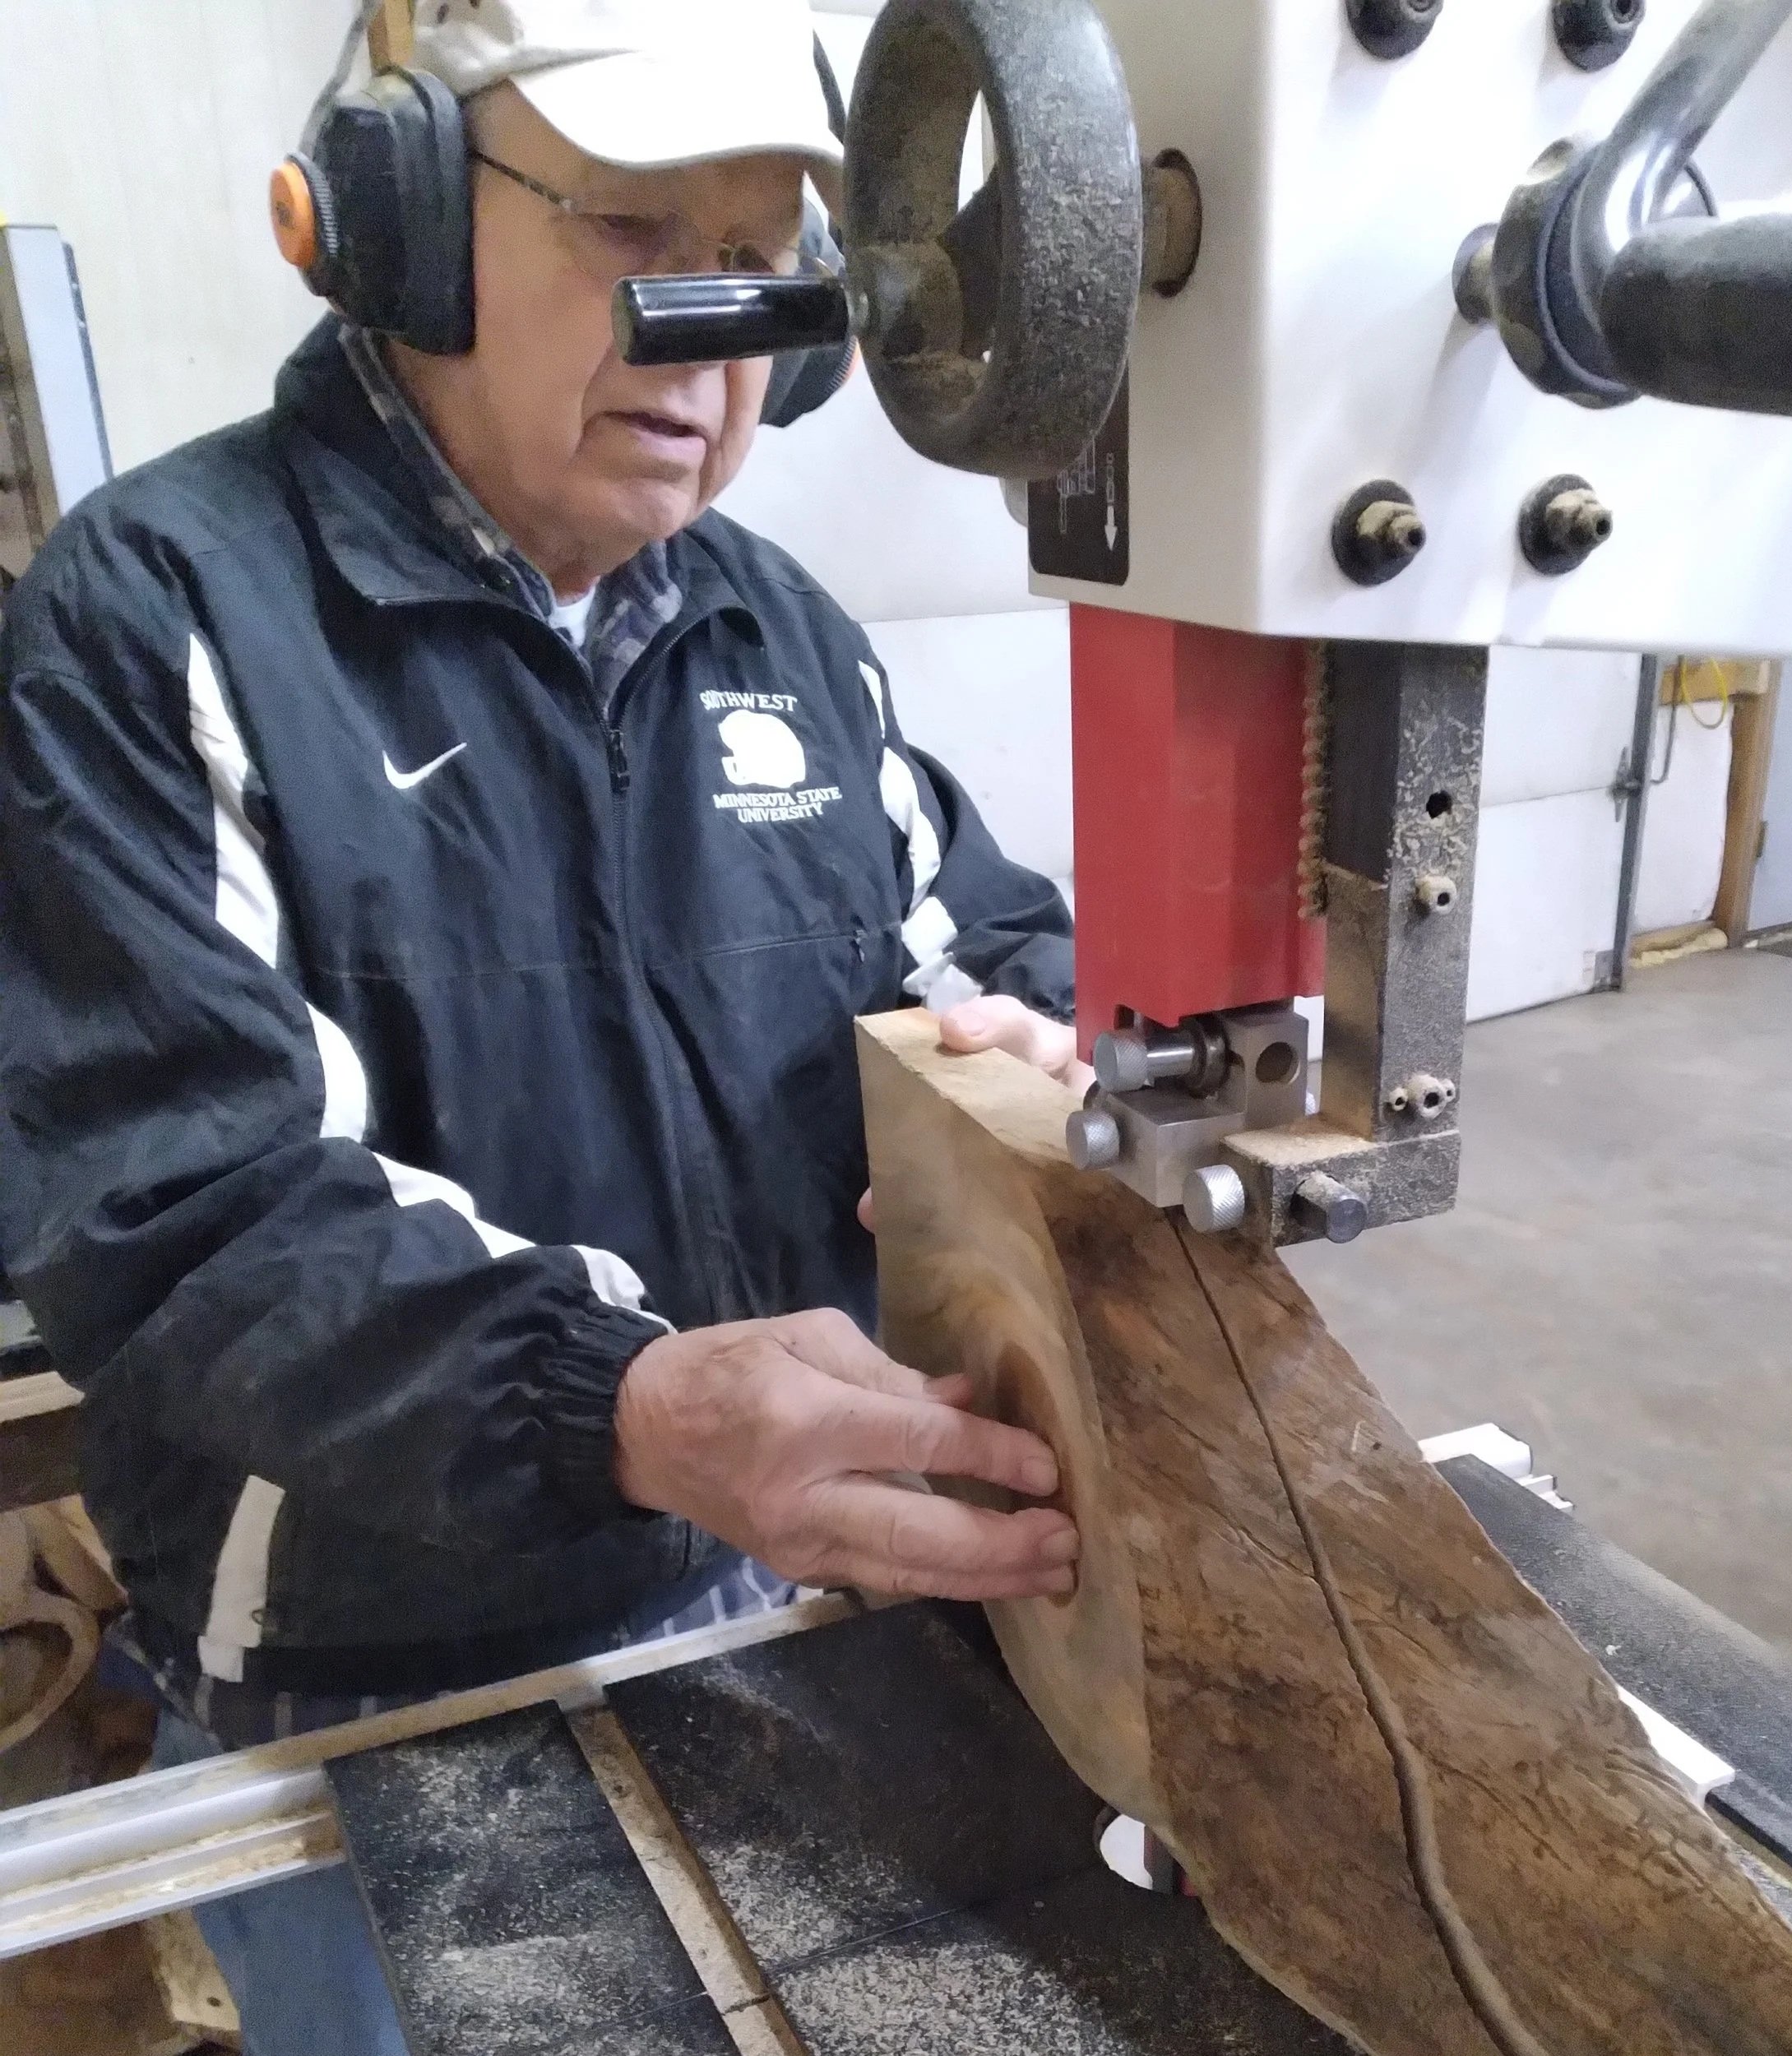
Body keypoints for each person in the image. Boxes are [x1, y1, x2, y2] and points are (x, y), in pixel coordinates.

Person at [0, 2, 1085, 2044]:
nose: (713, 342)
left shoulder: (774, 624)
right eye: (635, 236)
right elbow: (190, 1211)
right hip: (374, 1679)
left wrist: (1021, 1055)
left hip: (772, 1605)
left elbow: (973, 946)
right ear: (404, 225)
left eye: (764, 266)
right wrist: (627, 1404)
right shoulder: (155, 618)